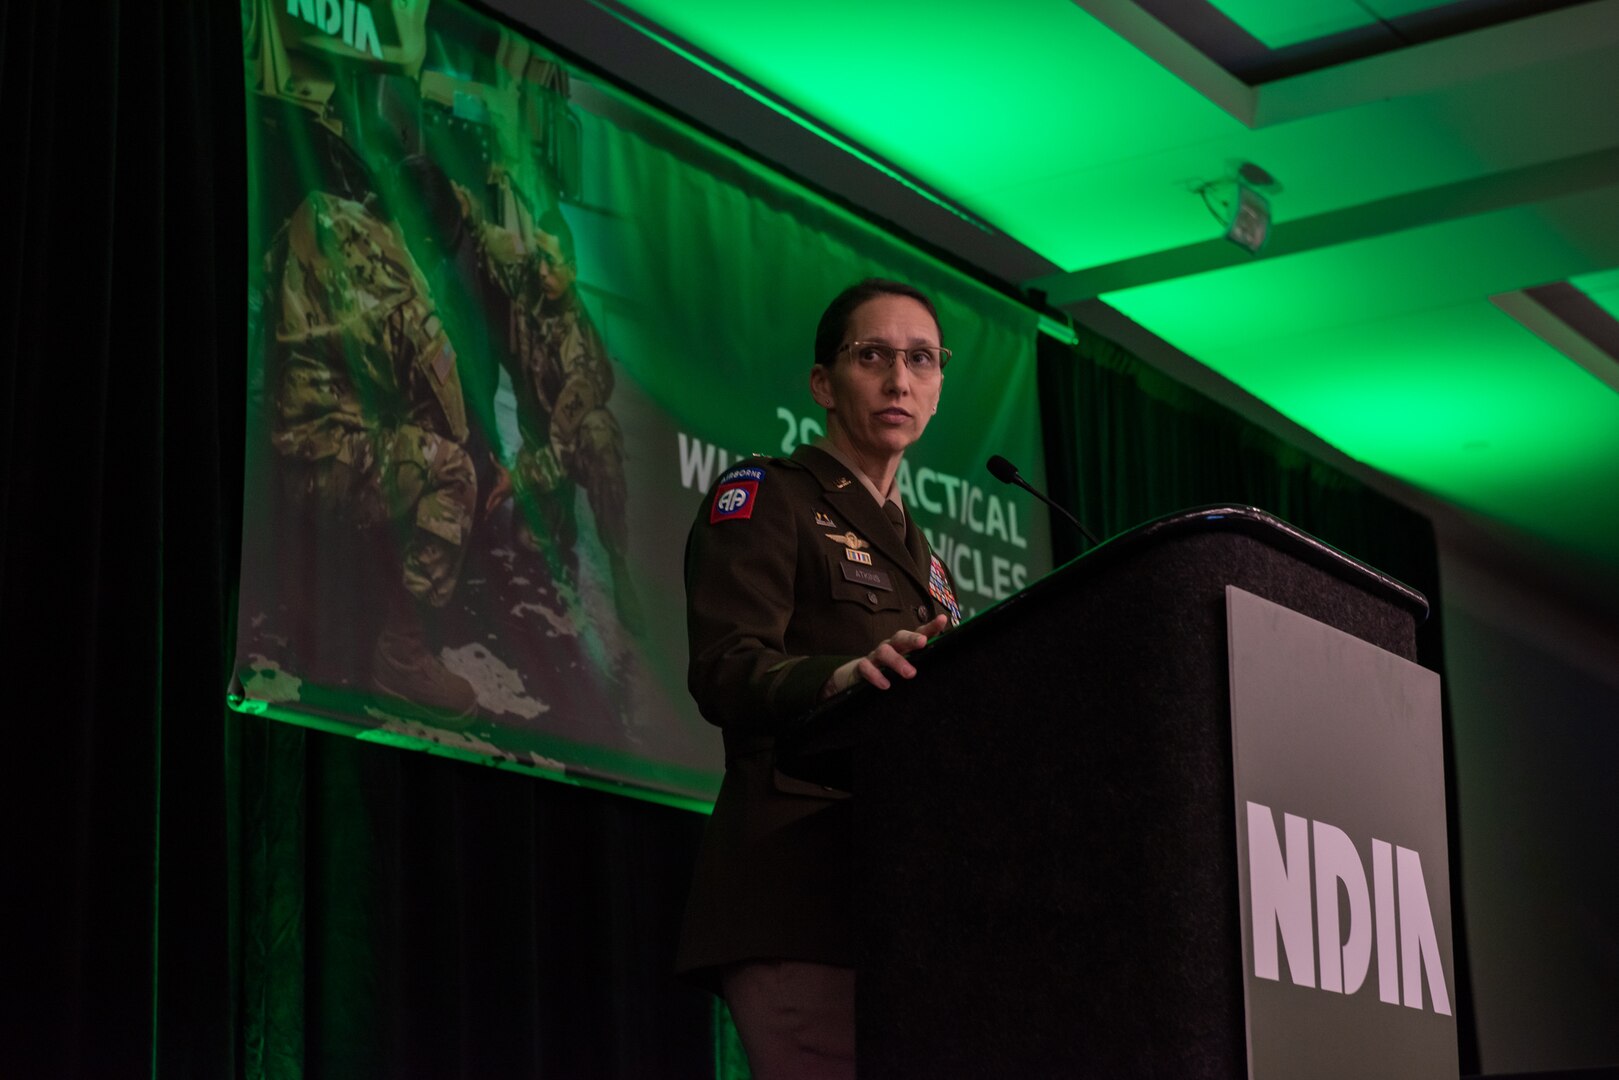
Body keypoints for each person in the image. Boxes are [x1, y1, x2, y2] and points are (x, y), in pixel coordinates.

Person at [677, 279, 964, 1078]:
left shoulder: (928, 564)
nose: (898, 379)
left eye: (920, 360)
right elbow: (725, 670)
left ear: (939, 388)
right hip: (798, 897)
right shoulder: (768, 496)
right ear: (821, 384)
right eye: (871, 355)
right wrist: (840, 679)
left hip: (902, 901)